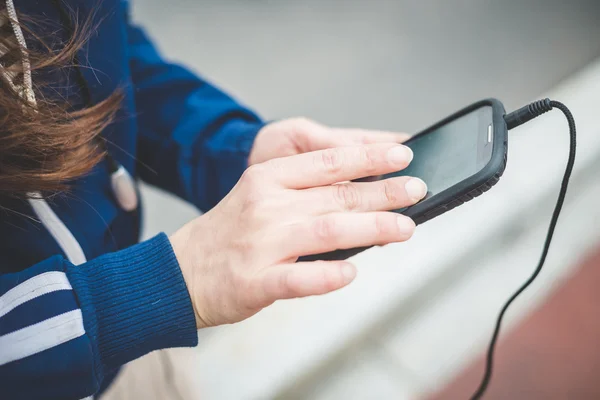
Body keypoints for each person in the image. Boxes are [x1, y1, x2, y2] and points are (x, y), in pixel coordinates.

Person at [0, 1, 428, 399]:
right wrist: (161, 286)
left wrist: (231, 148)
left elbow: (100, 57)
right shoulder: (160, 292)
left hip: (139, 344)